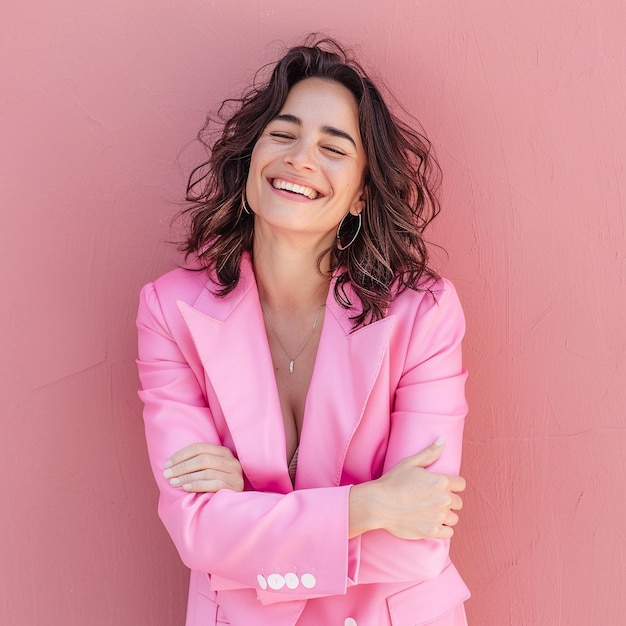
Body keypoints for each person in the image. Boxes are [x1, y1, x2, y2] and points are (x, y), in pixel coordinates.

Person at [136, 35, 470, 626]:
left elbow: (417, 537)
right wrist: (366, 505)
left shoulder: (423, 315)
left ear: (361, 196)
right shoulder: (169, 311)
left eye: (334, 147)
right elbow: (198, 533)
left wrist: (251, 513)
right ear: (250, 161)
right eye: (283, 134)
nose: (301, 159)